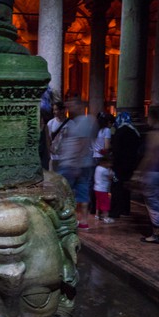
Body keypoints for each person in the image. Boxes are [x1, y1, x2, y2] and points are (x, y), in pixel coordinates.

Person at [57, 98, 98, 230]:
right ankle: (81, 221)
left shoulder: (85, 121)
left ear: (80, 106)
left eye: (72, 105)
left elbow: (82, 143)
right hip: (78, 163)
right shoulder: (78, 122)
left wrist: (76, 164)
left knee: (65, 191)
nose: (69, 108)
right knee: (81, 192)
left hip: (74, 164)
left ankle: (70, 219)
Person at [134, 106, 159, 244]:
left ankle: (156, 234)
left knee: (152, 203)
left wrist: (138, 173)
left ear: (154, 117)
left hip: (153, 172)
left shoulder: (154, 134)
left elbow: (150, 156)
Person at [109, 112, 142, 218]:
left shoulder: (120, 132)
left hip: (120, 165)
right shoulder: (135, 131)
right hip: (131, 164)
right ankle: (125, 209)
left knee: (117, 187)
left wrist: (113, 165)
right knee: (126, 188)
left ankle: (115, 211)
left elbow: (116, 150)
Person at [47, 101, 70, 172]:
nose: (54, 112)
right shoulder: (51, 123)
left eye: (56, 109)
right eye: (53, 109)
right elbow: (48, 139)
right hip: (53, 157)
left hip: (66, 158)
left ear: (62, 110)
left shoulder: (71, 124)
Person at [93, 155, 115, 223]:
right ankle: (106, 217)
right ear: (104, 163)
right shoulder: (105, 170)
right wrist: (112, 172)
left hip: (96, 188)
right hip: (103, 189)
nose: (111, 165)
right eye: (109, 163)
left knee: (98, 202)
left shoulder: (97, 168)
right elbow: (112, 177)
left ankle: (97, 215)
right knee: (105, 203)